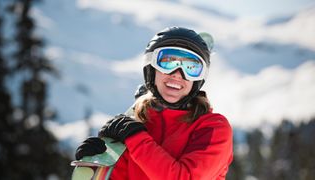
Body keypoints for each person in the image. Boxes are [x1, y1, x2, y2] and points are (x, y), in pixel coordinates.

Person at [75, 26, 233, 180]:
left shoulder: (214, 128)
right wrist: (99, 165)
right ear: (151, 68)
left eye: (191, 67)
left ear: (198, 78)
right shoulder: (138, 124)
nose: (178, 74)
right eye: (168, 62)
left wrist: (136, 138)